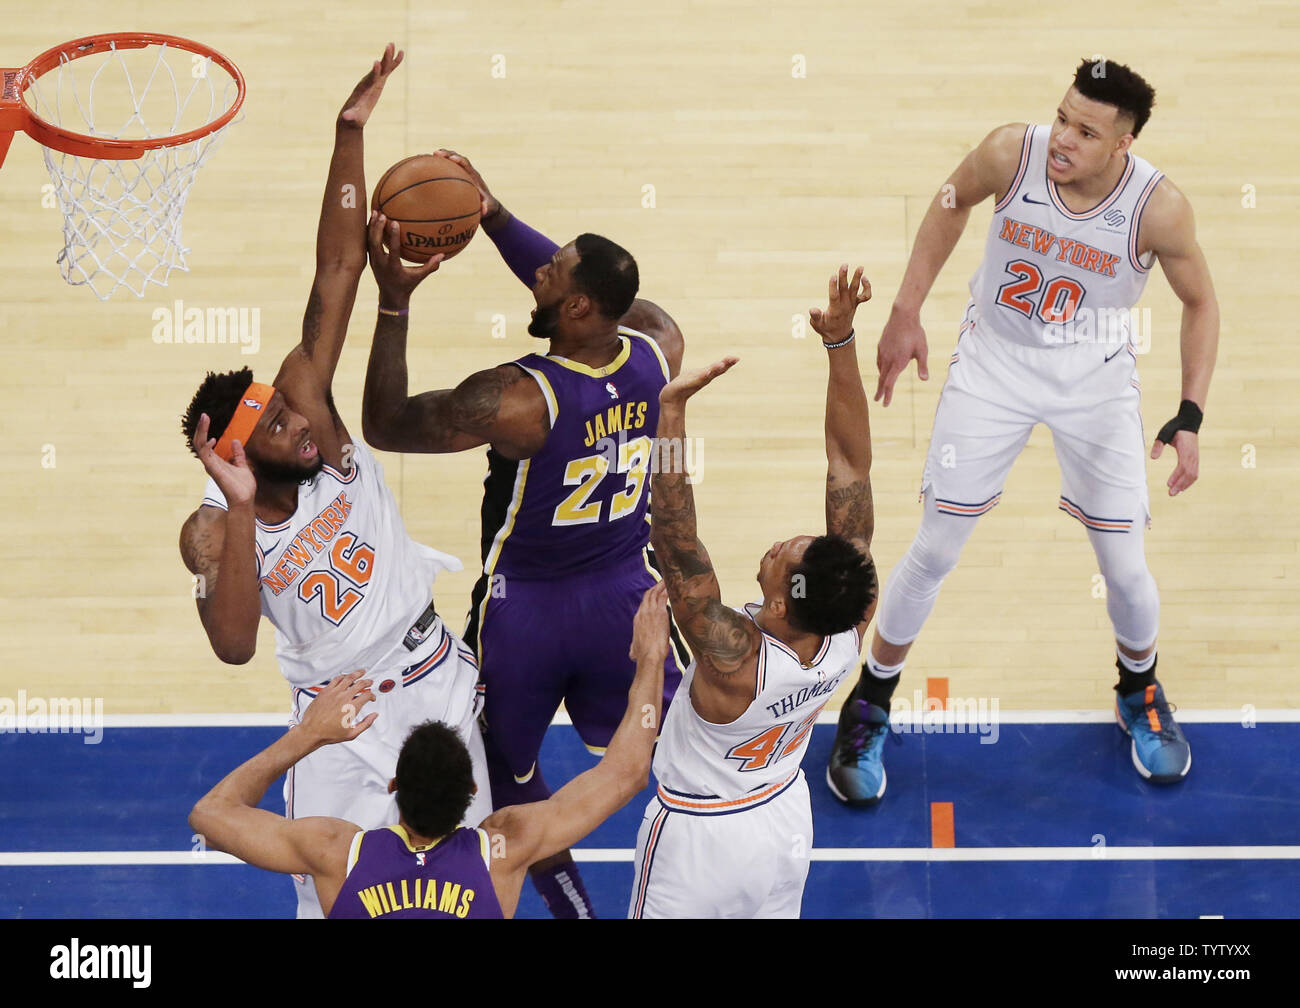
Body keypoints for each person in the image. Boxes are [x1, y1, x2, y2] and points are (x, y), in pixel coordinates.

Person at [827, 59, 1219, 804]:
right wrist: (907, 310)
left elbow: (1202, 303)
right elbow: (950, 202)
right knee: (936, 544)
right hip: (994, 364)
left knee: (1126, 565)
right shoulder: (1013, 151)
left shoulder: (1158, 208)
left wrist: (1190, 413)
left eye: (1087, 131)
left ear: (1124, 143)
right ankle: (870, 700)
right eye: (1064, 117)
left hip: (1095, 379)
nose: (1064, 138)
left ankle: (1139, 689)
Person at [177, 45, 490, 919]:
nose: (299, 422)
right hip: (337, 726)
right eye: (274, 426)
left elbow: (337, 274)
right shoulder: (211, 533)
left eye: (287, 407)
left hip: (437, 684)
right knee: (347, 909)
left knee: (465, 899)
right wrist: (240, 513)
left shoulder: (315, 424)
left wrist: (349, 133)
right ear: (235, 458)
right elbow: (235, 643)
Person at [361, 153, 687, 917]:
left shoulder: (514, 402)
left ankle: (569, 903)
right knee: (668, 746)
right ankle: (685, 877)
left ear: (578, 309)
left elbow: (384, 423)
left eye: (554, 273)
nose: (537, 272)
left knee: (506, 770)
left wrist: (393, 302)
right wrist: (496, 217)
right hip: (626, 598)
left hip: (527, 611)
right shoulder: (658, 348)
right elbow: (595, 294)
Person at [629, 266, 878, 918]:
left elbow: (678, 544)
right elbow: (849, 462)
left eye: (783, 556)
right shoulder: (848, 619)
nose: (783, 542)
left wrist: (672, 414)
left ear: (776, 603)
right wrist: (841, 341)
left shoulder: (733, 655)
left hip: (698, 842)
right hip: (784, 824)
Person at [188, 583, 670, 919]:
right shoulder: (503, 850)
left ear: (394, 785)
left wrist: (308, 734)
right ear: (475, 790)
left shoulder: (337, 852)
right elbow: (627, 771)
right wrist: (650, 658)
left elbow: (211, 813)